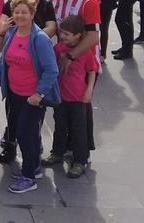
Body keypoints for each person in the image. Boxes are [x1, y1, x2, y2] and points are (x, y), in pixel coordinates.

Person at [0, 0, 59, 194]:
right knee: (27, 134)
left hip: (32, 98)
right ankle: (33, 167)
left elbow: (52, 70)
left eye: (24, 12)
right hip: (15, 93)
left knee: (25, 135)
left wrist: (39, 93)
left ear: (32, 14)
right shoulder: (11, 33)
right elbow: (3, 62)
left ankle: (29, 178)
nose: (19, 15)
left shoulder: (40, 39)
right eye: (16, 12)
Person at [42, 16, 99, 178]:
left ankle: (80, 160)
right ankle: (57, 152)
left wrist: (89, 91)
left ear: (78, 35)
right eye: (62, 33)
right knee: (60, 126)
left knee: (79, 129)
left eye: (67, 34)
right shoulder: (58, 49)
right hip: (61, 97)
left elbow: (92, 71)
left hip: (78, 98)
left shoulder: (85, 52)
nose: (63, 37)